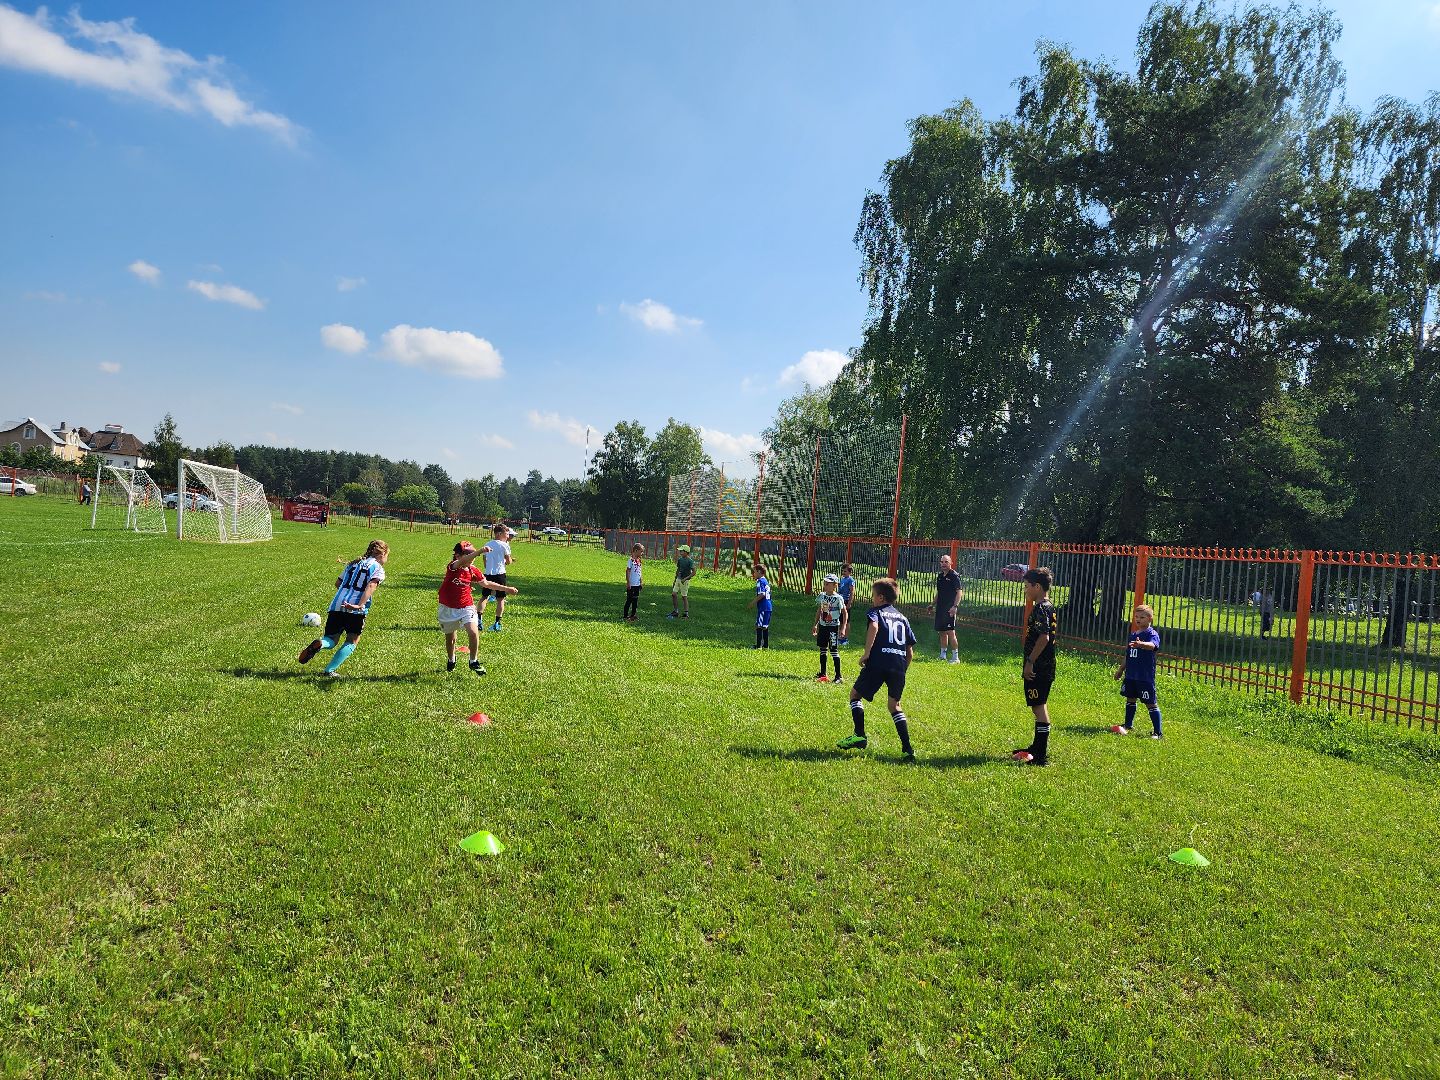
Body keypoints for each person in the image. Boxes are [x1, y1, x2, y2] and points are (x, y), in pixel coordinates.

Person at [836, 578, 915, 760]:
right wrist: (902, 669)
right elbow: (909, 651)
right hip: (898, 665)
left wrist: (867, 653)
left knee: (855, 695)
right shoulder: (903, 618)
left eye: (873, 595)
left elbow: (874, 626)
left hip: (879, 661)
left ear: (880, 597)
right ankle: (907, 750)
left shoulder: (875, 612)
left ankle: (859, 735)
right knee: (894, 706)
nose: (872, 599)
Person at [298, 539, 389, 677]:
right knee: (352, 640)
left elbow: (337, 583)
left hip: (337, 604)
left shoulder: (353, 564)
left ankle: (321, 643)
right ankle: (329, 670)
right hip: (355, 609)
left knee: (331, 639)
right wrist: (359, 604)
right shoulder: (377, 568)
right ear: (382, 554)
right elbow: (371, 586)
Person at [439, 540, 518, 675]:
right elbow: (464, 561)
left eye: (473, 554)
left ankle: (473, 661)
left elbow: (486, 583)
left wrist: (507, 589)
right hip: (448, 607)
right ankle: (451, 659)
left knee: (473, 632)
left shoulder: (472, 570)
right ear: (458, 556)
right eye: (469, 554)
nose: (473, 558)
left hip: (466, 606)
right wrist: (480, 551)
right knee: (450, 637)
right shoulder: (453, 566)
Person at [1012, 566, 1058, 766]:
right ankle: (1037, 748)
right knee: (1039, 706)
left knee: (1039, 707)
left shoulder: (1041, 608)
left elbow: (1044, 637)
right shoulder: (1048, 606)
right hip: (1045, 666)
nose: (1025, 590)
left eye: (1027, 586)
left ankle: (1040, 756)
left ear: (1037, 586)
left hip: (1039, 666)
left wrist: (1030, 662)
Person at [1110, 604, 1162, 738]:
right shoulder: (1133, 635)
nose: (1138, 619)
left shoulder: (1151, 634)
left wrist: (1141, 644)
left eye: (1142, 617)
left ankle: (1158, 732)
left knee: (1150, 703)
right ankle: (1128, 724)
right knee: (1130, 699)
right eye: (1136, 616)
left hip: (1144, 677)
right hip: (1131, 676)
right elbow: (1128, 655)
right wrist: (1121, 669)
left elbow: (1153, 646)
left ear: (1150, 618)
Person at [477, 523, 514, 631]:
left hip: (488, 574)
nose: (508, 536)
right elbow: (509, 561)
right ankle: (497, 623)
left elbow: (485, 561)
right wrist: (507, 561)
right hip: (500, 574)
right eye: (506, 533)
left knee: (484, 597)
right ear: (499, 534)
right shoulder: (504, 545)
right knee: (500, 599)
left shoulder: (487, 544)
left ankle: (479, 621)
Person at [812, 573, 848, 682]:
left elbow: (845, 613)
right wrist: (815, 624)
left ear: (835, 585)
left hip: (833, 627)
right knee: (823, 649)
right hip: (823, 626)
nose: (826, 585)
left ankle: (838, 676)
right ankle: (823, 673)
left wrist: (843, 628)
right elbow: (820, 610)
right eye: (825, 583)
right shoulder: (822, 596)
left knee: (833, 650)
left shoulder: (838, 598)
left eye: (828, 583)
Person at [928, 553, 964, 663]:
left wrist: (955, 607)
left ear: (951, 563)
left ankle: (955, 658)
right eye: (942, 562)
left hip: (950, 609)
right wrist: (932, 604)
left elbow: (959, 592)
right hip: (940, 608)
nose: (944, 564)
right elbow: (939, 593)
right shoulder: (940, 576)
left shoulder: (954, 576)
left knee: (950, 632)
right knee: (942, 632)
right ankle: (943, 655)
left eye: (946, 562)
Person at [668, 544, 697, 619]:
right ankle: (676, 611)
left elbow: (694, 572)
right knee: (673, 594)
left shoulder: (690, 561)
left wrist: (685, 579)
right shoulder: (680, 560)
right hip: (678, 579)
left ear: (686, 552)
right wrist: (675, 579)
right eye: (680, 551)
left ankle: (686, 614)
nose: (680, 552)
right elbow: (678, 570)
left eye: (682, 551)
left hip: (685, 581)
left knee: (684, 597)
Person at [749, 563, 772, 649]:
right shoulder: (765, 581)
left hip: (763, 607)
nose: (753, 574)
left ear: (759, 572)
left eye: (754, 572)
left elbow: (762, 594)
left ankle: (758, 646)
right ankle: (765, 646)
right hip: (768, 607)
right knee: (765, 626)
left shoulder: (760, 581)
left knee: (759, 625)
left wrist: (753, 602)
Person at [623, 543, 644, 621]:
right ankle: (625, 616)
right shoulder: (631, 560)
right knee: (629, 600)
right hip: (632, 584)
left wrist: (641, 581)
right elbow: (628, 571)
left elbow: (639, 572)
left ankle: (633, 615)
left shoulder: (639, 560)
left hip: (637, 584)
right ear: (636, 550)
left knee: (635, 600)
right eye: (641, 551)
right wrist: (628, 582)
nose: (642, 553)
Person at [837, 563, 857, 645]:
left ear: (850, 572)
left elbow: (852, 592)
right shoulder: (842, 579)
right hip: (840, 601)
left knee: (846, 620)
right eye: (842, 571)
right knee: (840, 620)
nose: (843, 572)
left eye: (845, 571)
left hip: (846, 601)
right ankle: (839, 636)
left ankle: (845, 638)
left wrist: (849, 603)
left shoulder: (850, 580)